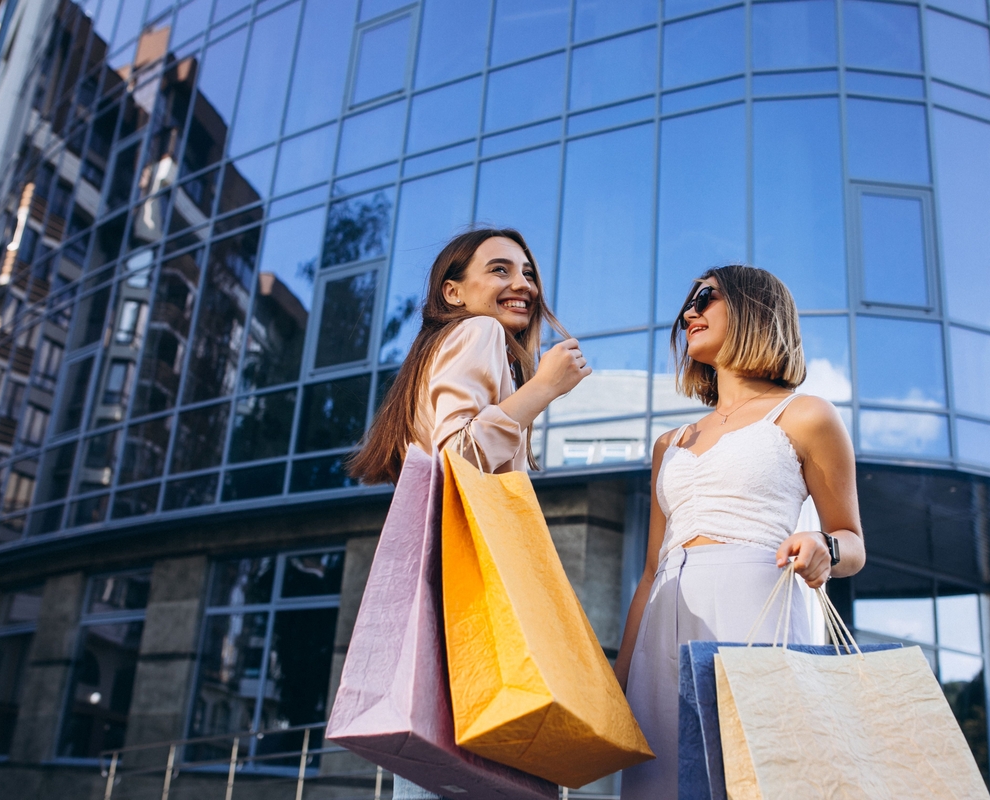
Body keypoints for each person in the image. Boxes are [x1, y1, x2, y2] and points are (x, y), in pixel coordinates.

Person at [349, 228, 591, 800]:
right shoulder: (478, 332)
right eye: (501, 270)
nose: (522, 285)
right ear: (454, 293)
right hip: (471, 591)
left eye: (528, 273)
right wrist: (545, 388)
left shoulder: (439, 351)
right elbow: (459, 456)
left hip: (444, 590)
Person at [614, 265, 866, 800]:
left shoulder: (806, 415)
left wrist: (826, 547)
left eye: (705, 297)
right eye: (688, 302)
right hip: (665, 620)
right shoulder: (670, 443)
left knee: (760, 776)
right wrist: (619, 679)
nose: (689, 312)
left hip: (760, 610)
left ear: (755, 307)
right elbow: (649, 571)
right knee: (659, 785)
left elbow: (852, 542)